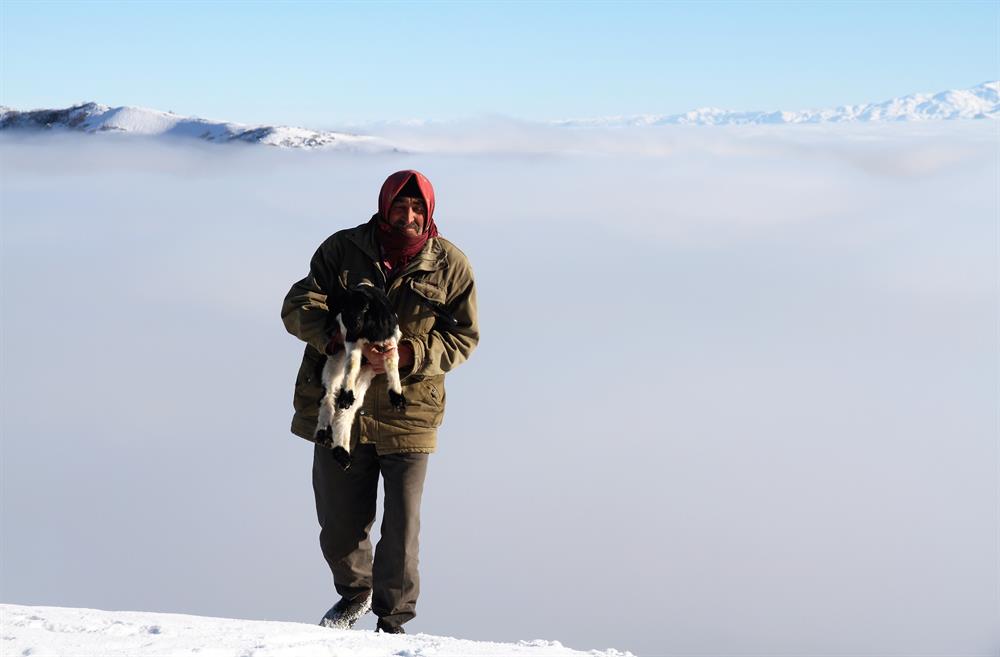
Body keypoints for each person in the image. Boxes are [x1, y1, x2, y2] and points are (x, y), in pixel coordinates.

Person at [280, 170, 479, 634]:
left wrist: (408, 354)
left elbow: (463, 336)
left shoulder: (450, 265)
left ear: (429, 211)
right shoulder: (342, 250)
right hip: (341, 408)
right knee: (338, 524)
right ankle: (356, 593)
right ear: (384, 207)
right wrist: (339, 339)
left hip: (409, 410)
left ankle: (393, 621)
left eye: (417, 208)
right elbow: (298, 304)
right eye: (400, 206)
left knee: (402, 528)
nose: (408, 216)